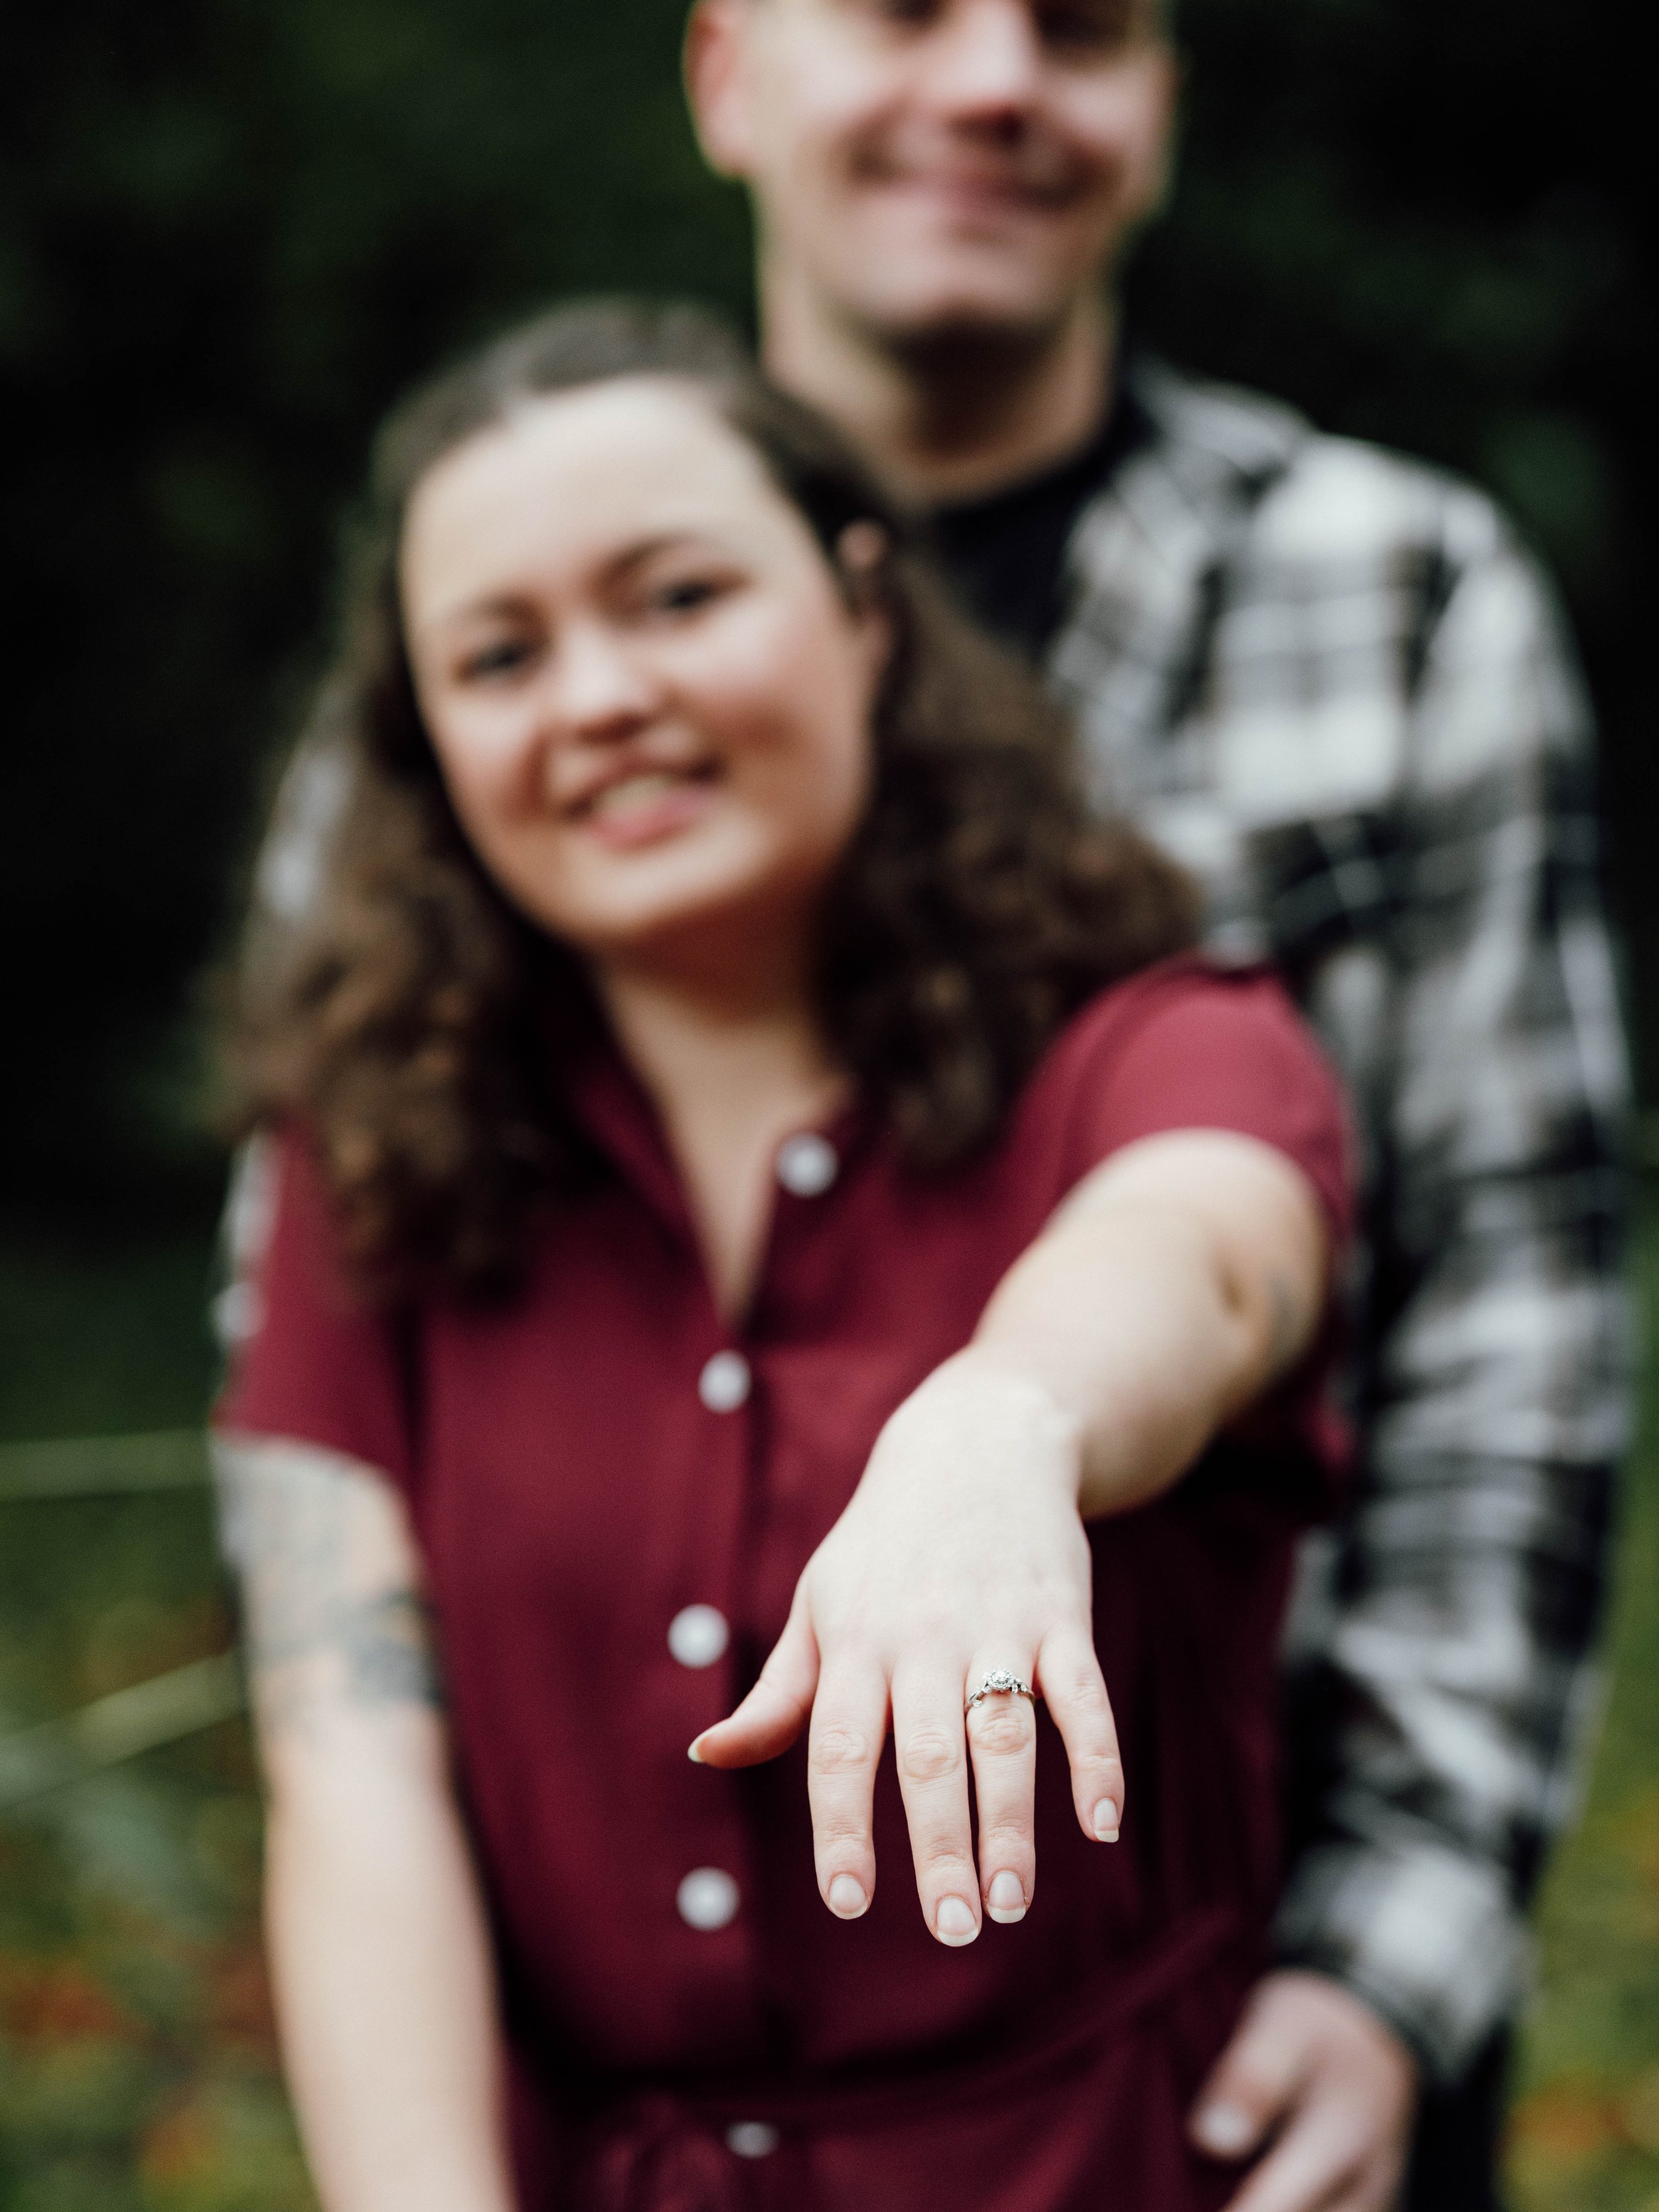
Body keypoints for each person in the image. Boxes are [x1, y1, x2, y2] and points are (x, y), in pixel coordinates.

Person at [212, 298, 1356, 2211]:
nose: (595, 699)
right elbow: (350, 1772)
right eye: (499, 656)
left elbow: (1206, 1257)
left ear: (862, 608)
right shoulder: (373, 1173)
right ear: (432, 747)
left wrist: (1004, 1422)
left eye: (674, 599)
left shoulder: (1153, 1041)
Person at [680, 3, 1631, 2209]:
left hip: (1231, 2020)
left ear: (1164, 113)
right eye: (906, 11)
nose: (998, 82)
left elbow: (1513, 1328)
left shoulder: (1394, 594)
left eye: (1084, 27)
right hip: (678, 2049)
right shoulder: (533, 599)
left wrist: (1392, 1957)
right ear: (728, 73)